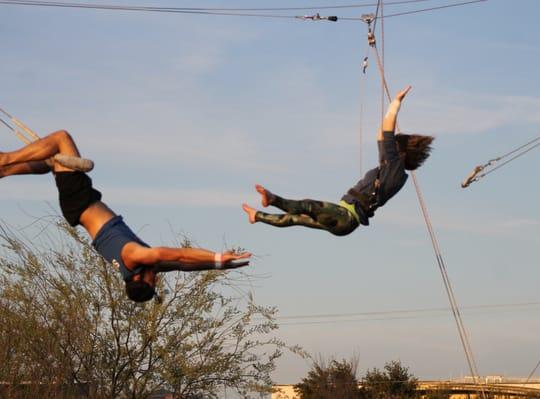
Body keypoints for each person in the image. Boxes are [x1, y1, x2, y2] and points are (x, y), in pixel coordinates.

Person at [0, 130, 251, 302]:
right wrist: (220, 264)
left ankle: (5, 159)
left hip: (82, 202)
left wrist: (219, 255)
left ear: (142, 280)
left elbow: (181, 254)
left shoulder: (135, 256)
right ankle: (5, 172)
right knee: (51, 160)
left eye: (154, 283)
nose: (157, 279)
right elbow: (185, 265)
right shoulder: (139, 267)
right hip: (80, 206)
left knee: (60, 138)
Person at [242, 85, 433, 236]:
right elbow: (381, 135)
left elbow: (386, 131)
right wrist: (389, 112)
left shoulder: (394, 166)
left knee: (308, 206)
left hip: (346, 217)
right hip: (345, 218)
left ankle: (272, 199)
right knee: (296, 219)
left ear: (400, 152)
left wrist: (396, 104)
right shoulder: (394, 173)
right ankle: (256, 216)